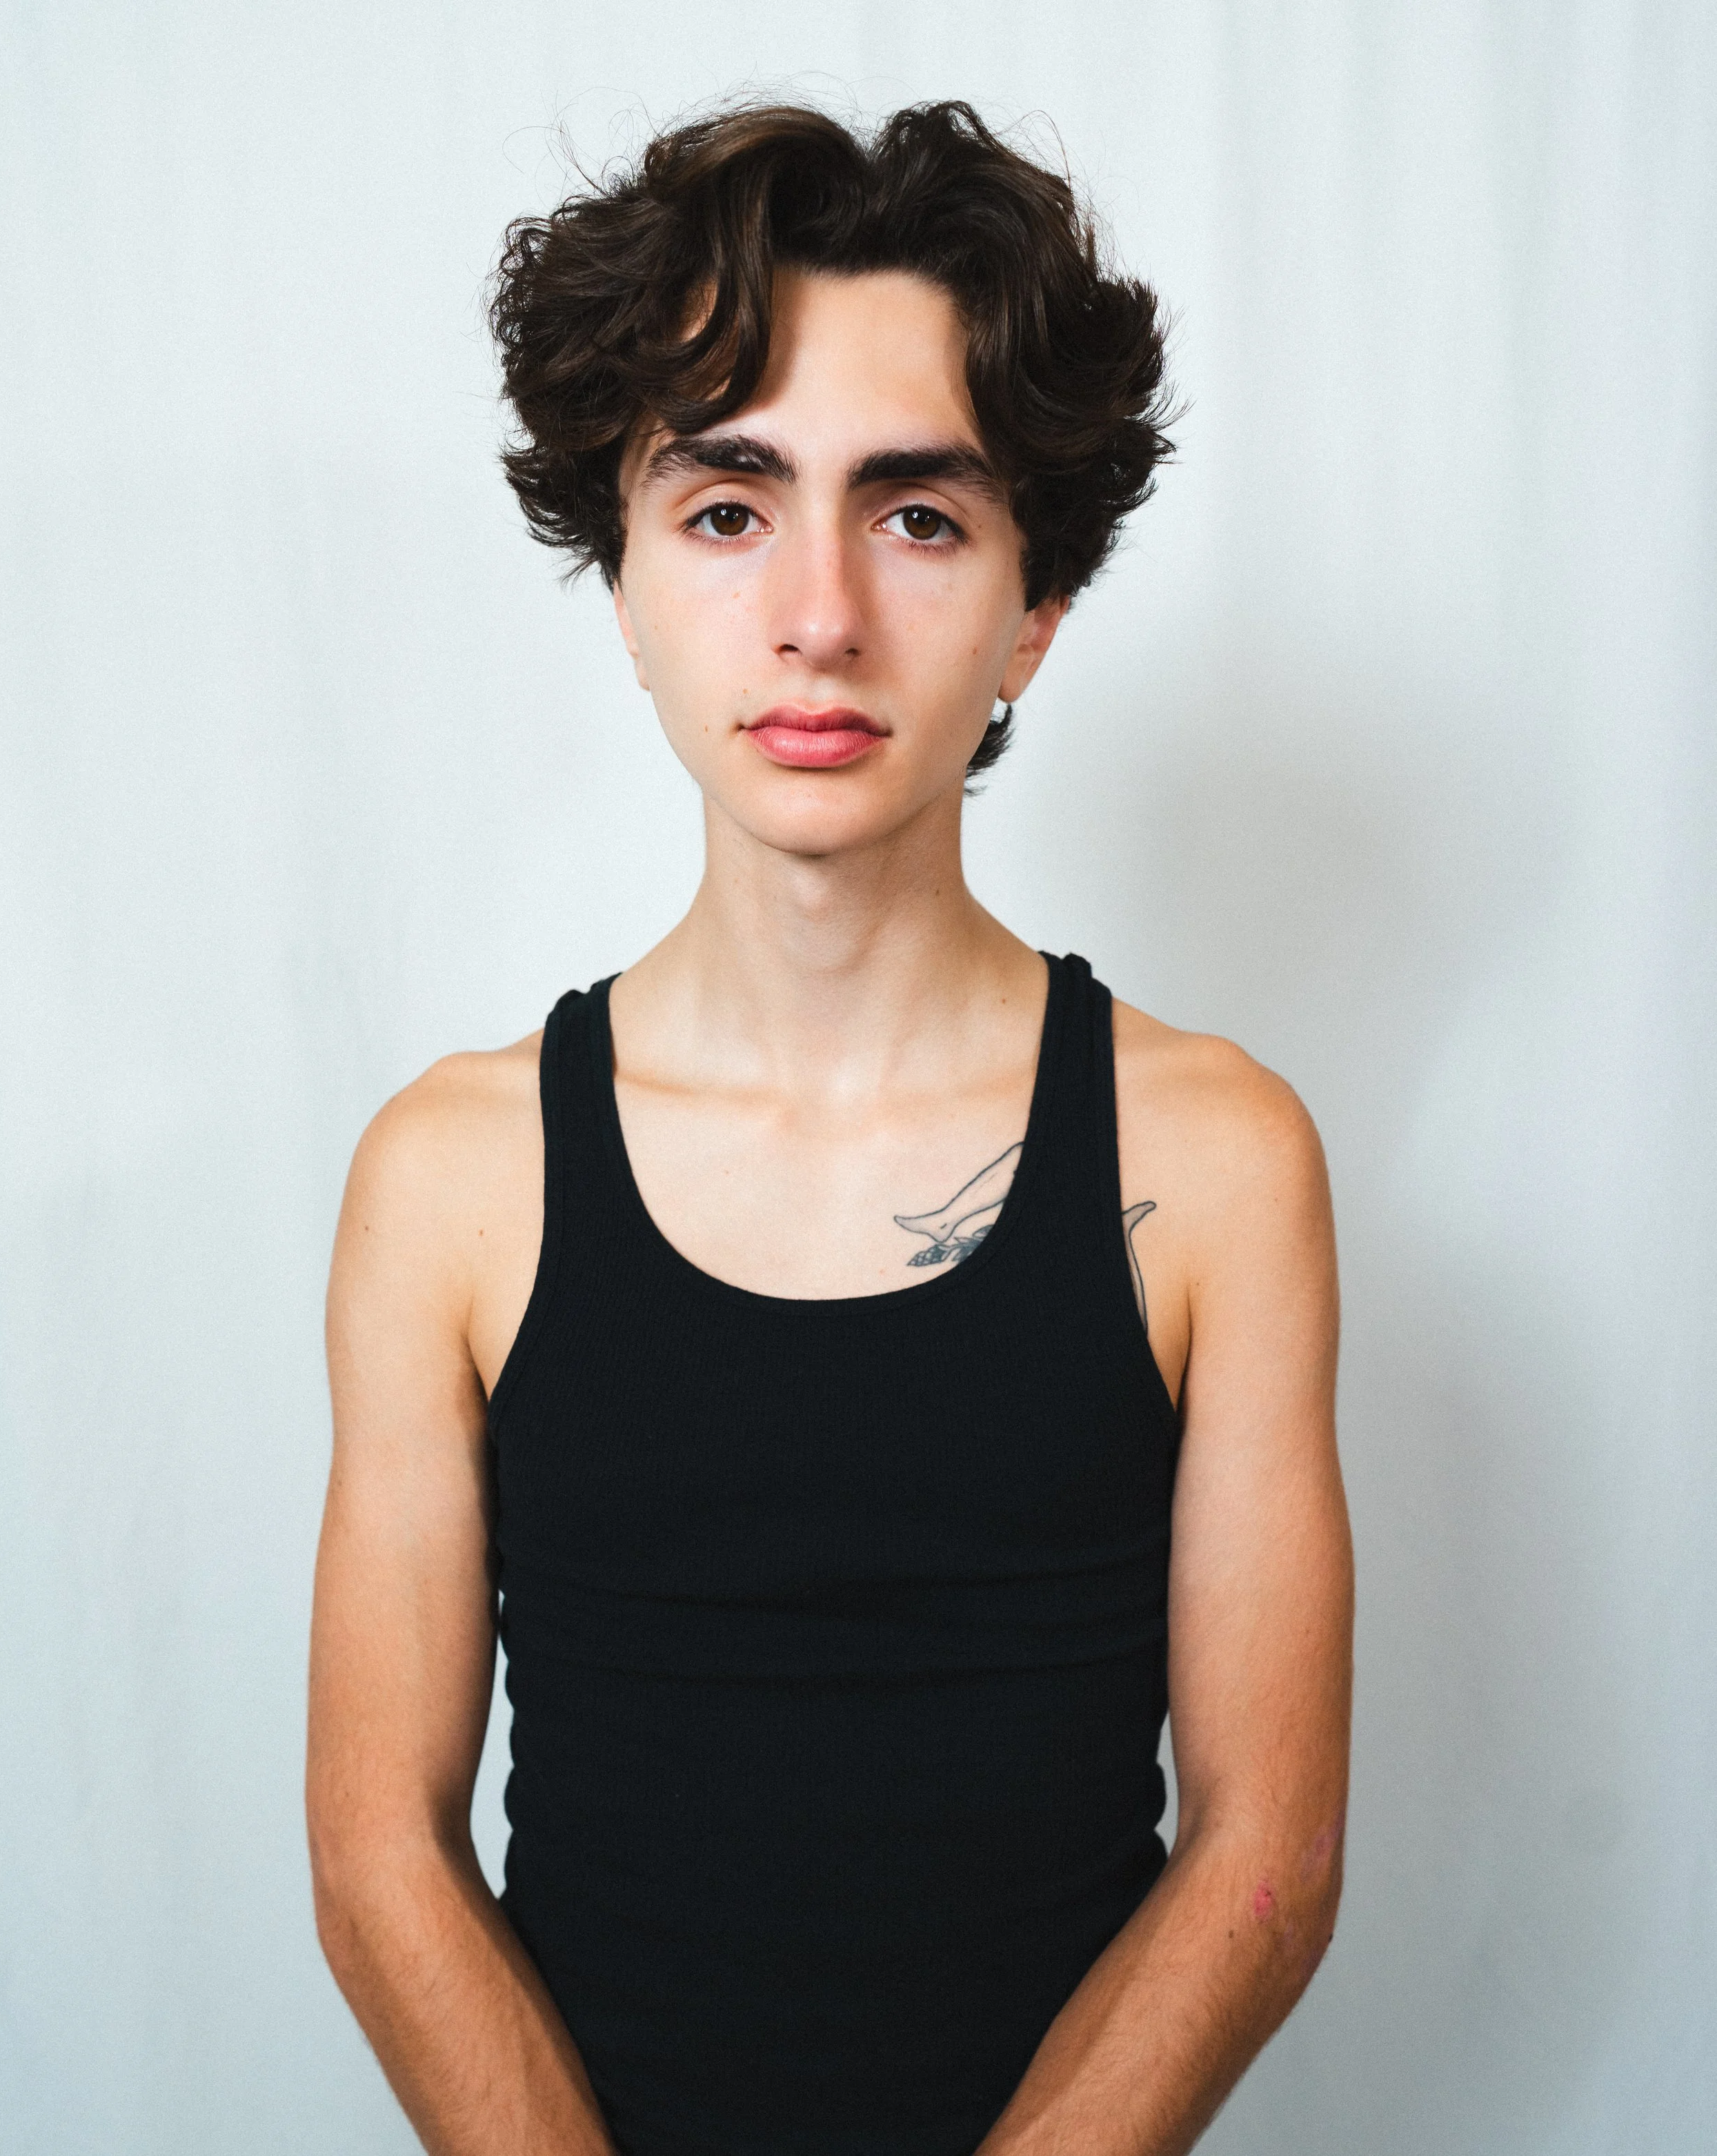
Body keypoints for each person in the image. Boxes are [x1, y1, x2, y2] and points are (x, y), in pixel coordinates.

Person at [306, 99, 1353, 2156]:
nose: (815, 615)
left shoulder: (1214, 1158)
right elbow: (375, 1851)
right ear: (620, 581)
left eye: (915, 514)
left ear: (1034, 609)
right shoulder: (450, 1174)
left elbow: (1264, 1853)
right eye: (725, 509)